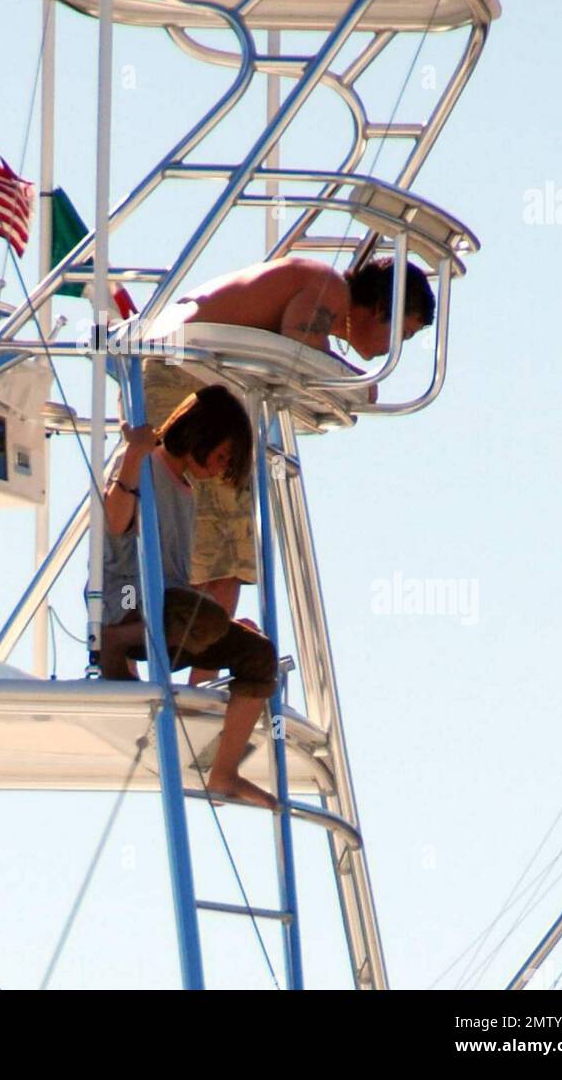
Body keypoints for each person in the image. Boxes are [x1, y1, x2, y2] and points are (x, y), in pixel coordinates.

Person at [144, 256, 436, 624]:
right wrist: (356, 381)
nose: (394, 350)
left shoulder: (325, 293)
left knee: (205, 551)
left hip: (177, 375)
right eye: (402, 335)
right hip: (185, 379)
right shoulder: (329, 287)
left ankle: (195, 663)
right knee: (226, 558)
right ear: (380, 309)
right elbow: (300, 343)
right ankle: (201, 671)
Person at [100, 385, 279, 809]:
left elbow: (176, 577)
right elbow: (115, 521)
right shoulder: (142, 465)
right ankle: (115, 645)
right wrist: (132, 458)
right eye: (221, 457)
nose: (220, 470)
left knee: (259, 655)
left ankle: (224, 772)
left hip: (170, 611)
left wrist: (222, 620)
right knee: (201, 616)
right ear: (202, 434)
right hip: (129, 603)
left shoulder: (185, 489)